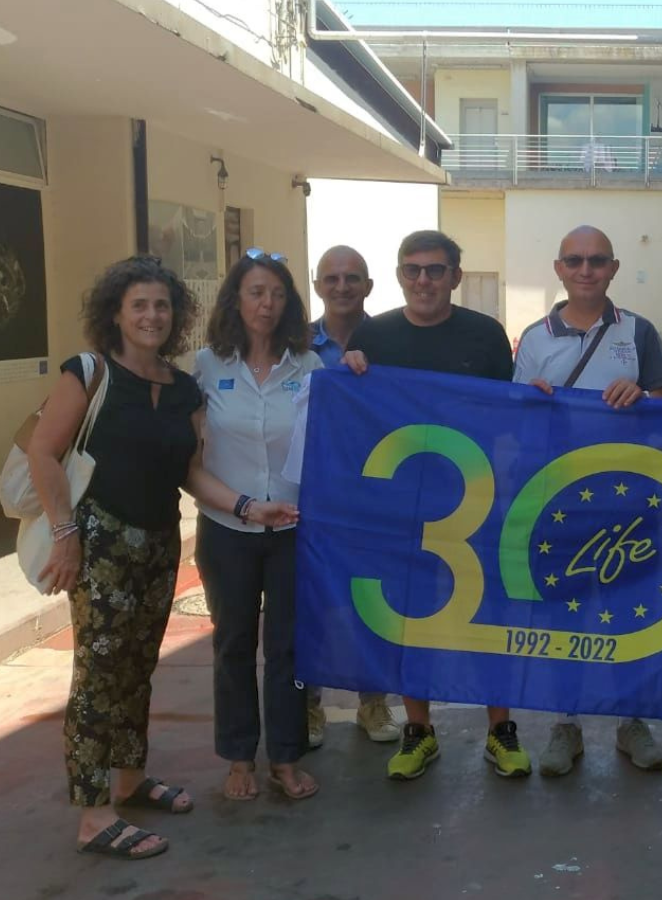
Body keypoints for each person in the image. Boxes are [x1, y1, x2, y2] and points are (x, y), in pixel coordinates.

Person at [27, 256, 294, 859]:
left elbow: (191, 473)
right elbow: (44, 453)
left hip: (158, 543)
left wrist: (249, 507)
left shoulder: (181, 388)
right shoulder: (89, 372)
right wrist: (65, 534)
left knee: (138, 666)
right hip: (99, 542)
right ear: (116, 314)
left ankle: (129, 779)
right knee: (99, 675)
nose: (152, 316)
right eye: (139, 305)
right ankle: (95, 814)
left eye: (162, 306)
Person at [341, 230, 530, 780]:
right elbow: (354, 414)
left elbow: (511, 415)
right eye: (412, 269)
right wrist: (348, 371)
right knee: (410, 618)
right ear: (400, 275)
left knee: (489, 614)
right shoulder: (373, 335)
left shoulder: (485, 334)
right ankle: (418, 730)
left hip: (477, 496)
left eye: (435, 270)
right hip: (402, 505)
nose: (423, 280)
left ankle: (501, 730)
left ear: (455, 276)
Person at [514, 226, 662, 776]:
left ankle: (633, 721)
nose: (587, 270)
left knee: (629, 611)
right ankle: (566, 724)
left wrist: (642, 398)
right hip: (561, 501)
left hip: (627, 500)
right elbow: (517, 419)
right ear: (559, 268)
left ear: (614, 268)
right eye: (575, 260)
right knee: (567, 615)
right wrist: (531, 402)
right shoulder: (534, 338)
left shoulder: (640, 331)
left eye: (598, 260)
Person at [195, 249, 323, 802]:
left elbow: (331, 445)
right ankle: (239, 756)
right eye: (255, 292)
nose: (266, 303)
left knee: (290, 647)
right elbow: (188, 463)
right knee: (233, 643)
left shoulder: (309, 367)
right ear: (235, 299)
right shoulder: (206, 366)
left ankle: (286, 757)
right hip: (228, 529)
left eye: (277, 293)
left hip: (295, 530)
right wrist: (245, 506)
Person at [302, 245, 398, 748]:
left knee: (371, 602)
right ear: (317, 285)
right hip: (312, 492)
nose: (342, 286)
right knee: (311, 602)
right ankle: (308, 706)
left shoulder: (391, 340)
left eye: (352, 277)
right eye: (332, 278)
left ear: (369, 286)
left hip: (375, 495)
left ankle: (373, 702)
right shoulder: (295, 344)